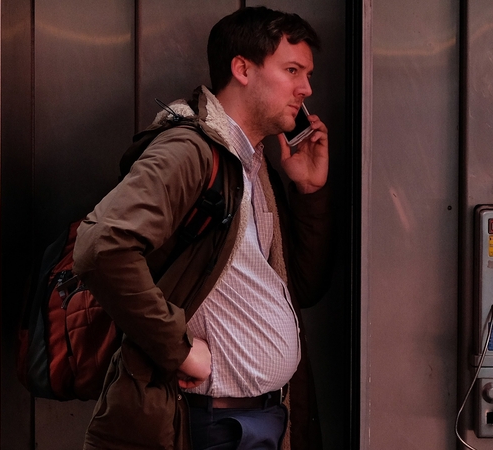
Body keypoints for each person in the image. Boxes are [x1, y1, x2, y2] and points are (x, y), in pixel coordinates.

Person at [73, 6, 333, 450]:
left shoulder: (252, 165)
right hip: (208, 424)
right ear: (243, 68)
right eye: (292, 70)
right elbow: (102, 246)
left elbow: (301, 288)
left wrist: (308, 192)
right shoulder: (192, 151)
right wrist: (179, 349)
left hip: (260, 418)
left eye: (307, 74)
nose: (305, 89)